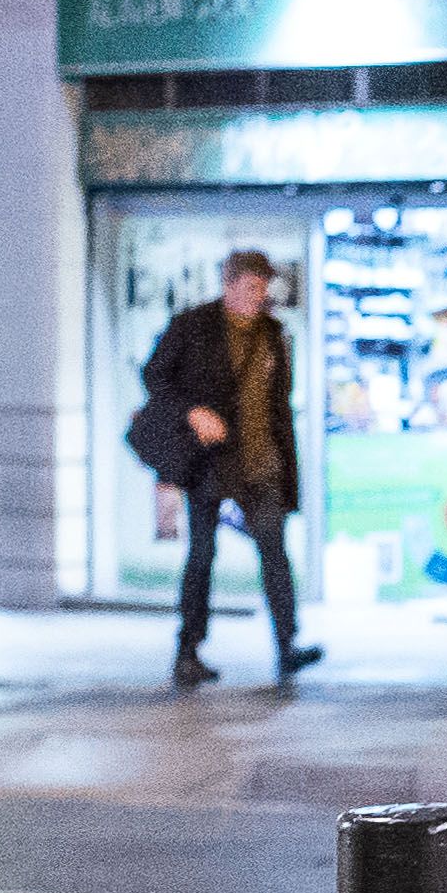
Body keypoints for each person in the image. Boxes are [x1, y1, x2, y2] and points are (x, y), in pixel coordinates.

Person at [140, 250, 315, 689]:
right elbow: (154, 375)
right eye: (251, 287)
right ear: (229, 283)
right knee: (202, 554)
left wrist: (286, 464)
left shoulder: (274, 334)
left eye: (263, 288)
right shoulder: (193, 325)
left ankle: (287, 644)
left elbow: (278, 405)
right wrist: (192, 410)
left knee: (274, 550)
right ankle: (188, 649)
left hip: (260, 461)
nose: (258, 297)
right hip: (209, 462)